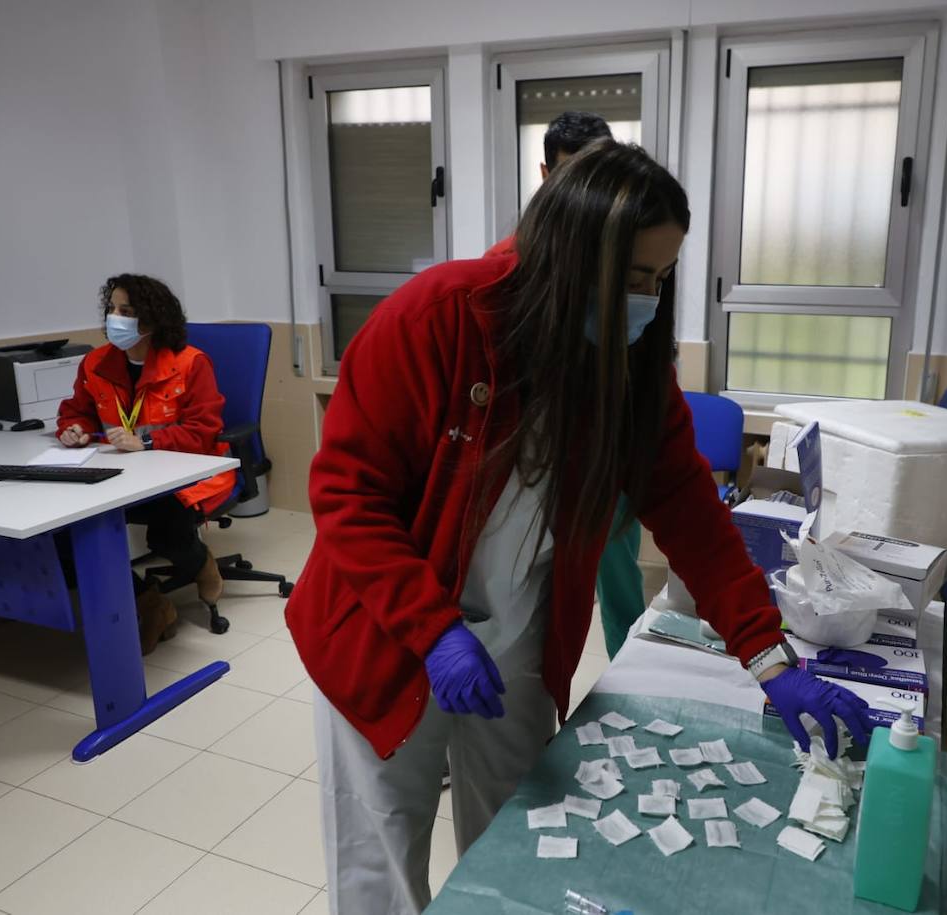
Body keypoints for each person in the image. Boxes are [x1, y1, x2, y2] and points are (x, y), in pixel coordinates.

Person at [288, 141, 873, 914]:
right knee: (382, 857)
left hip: (515, 639)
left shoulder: (628, 367)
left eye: (661, 278)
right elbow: (345, 496)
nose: (649, 297)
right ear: (571, 256)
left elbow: (693, 514)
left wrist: (770, 656)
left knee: (521, 835)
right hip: (383, 629)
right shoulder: (437, 318)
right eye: (635, 276)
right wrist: (431, 630)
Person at [485, 110, 645, 659]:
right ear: (546, 174)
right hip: (538, 453)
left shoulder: (634, 256)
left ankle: (629, 671)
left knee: (618, 573)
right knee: (538, 587)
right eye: (575, 173)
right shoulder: (507, 264)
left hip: (608, 439)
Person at [56, 274, 233, 653]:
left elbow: (203, 432)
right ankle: (152, 604)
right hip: (118, 474)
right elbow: (77, 411)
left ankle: (202, 563)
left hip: (182, 474)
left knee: (166, 535)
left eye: (127, 311)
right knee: (70, 535)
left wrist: (148, 440)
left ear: (152, 320)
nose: (114, 318)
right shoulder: (95, 364)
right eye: (112, 309)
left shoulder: (189, 364)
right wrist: (73, 429)